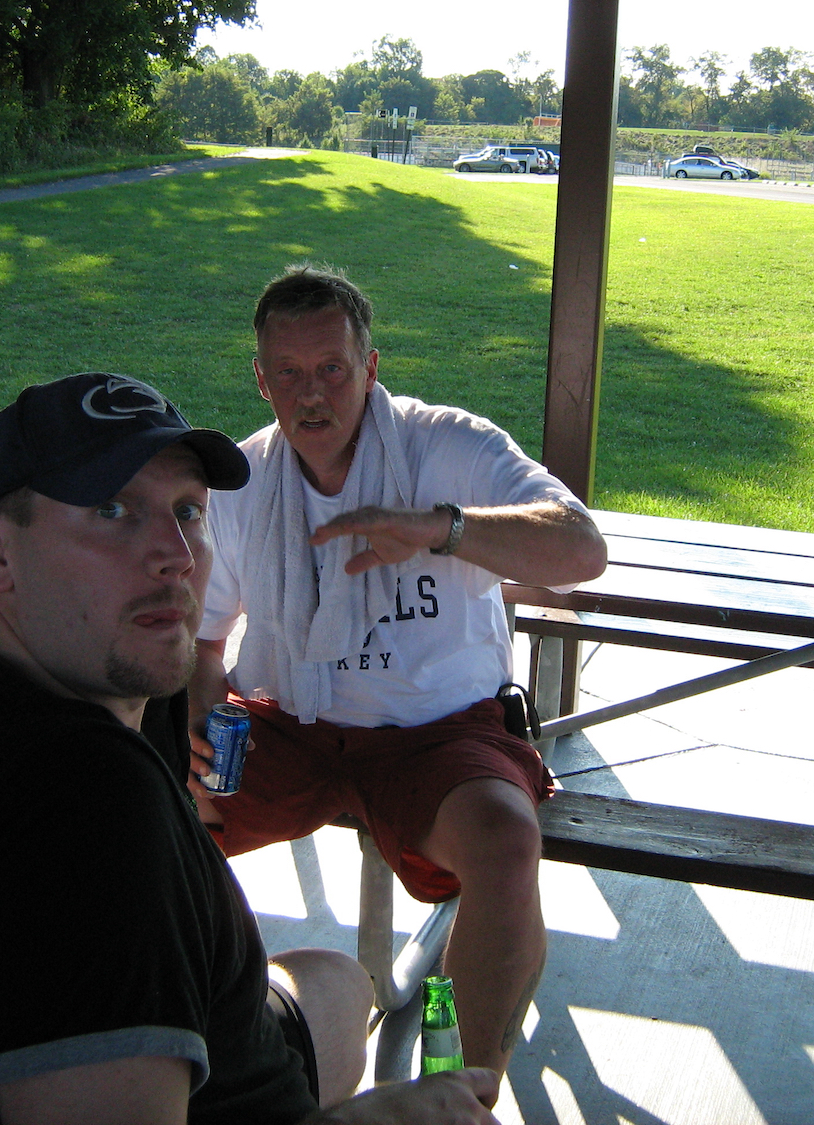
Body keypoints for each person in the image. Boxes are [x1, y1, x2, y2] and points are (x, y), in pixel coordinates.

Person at [0, 372, 501, 1125]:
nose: (177, 555)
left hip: (205, 1046)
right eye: (112, 510)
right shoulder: (87, 805)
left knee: (339, 987)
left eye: (188, 510)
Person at [189, 267, 608, 1079]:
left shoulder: (446, 446)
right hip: (289, 721)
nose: (313, 395)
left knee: (505, 843)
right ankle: (181, 1027)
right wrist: (196, 718)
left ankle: (463, 1091)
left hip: (438, 731)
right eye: (289, 374)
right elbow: (204, 647)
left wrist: (441, 530)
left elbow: (582, 549)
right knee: (149, 797)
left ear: (371, 367)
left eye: (333, 369)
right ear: (262, 380)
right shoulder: (244, 480)